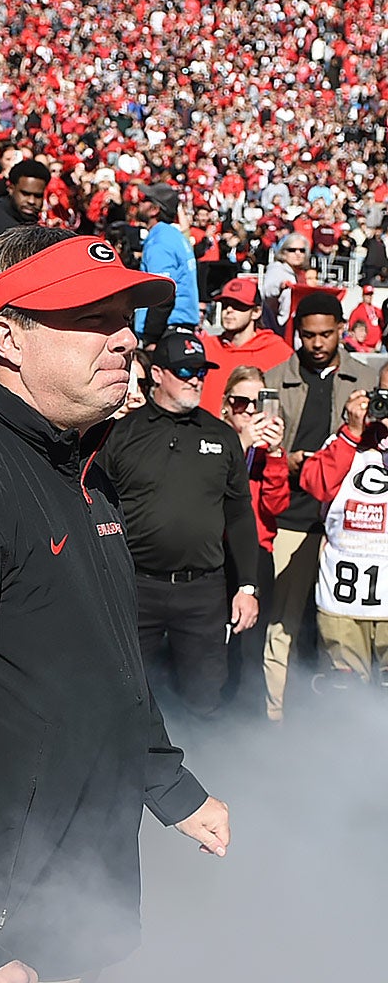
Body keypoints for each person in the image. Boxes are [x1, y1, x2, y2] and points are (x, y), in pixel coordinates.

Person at [0, 229, 231, 983]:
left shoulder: (79, 464)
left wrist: (168, 784)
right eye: (92, 318)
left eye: (126, 318)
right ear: (6, 337)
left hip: (80, 881)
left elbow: (107, 657)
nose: (126, 338)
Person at [98, 332, 262, 719]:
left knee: (204, 696)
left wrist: (247, 586)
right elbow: (96, 509)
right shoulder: (121, 434)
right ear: (157, 373)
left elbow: (239, 513)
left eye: (201, 371)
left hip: (202, 592)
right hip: (137, 587)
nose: (195, 379)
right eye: (185, 370)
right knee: (126, 693)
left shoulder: (221, 436)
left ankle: (201, 771)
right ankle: (130, 775)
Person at [263, 291, 371, 721]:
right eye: (308, 335)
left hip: (349, 524)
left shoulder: (365, 378)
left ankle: (338, 719)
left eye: (326, 334)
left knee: (339, 631)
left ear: (341, 330)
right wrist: (286, 460)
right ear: (297, 335)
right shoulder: (275, 379)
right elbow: (264, 446)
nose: (318, 343)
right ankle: (275, 719)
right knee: (283, 628)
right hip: (293, 513)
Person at [300, 363, 388, 689]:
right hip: (342, 603)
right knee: (345, 697)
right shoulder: (346, 443)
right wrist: (352, 431)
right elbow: (315, 484)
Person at [221, 364, 289, 716]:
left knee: (249, 647)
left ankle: (249, 725)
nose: (248, 411)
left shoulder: (267, 452)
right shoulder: (214, 441)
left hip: (256, 554)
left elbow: (277, 505)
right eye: (239, 402)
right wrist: (241, 444)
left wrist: (276, 454)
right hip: (214, 553)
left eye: (257, 402)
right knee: (214, 644)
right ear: (225, 405)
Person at [197, 276, 292, 414]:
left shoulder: (278, 352)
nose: (229, 310)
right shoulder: (204, 347)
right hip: (206, 431)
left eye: (238, 305)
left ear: (256, 312)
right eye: (225, 304)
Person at [135, 183, 200, 346]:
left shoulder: (160, 241)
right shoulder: (174, 235)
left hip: (166, 329)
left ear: (154, 210)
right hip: (179, 325)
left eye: (145, 199)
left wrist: (151, 337)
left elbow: (163, 292)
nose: (139, 202)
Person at [260, 233, 308, 333]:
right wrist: (279, 288)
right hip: (278, 326)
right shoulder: (276, 269)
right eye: (292, 250)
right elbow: (267, 292)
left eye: (302, 250)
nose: (297, 253)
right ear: (283, 252)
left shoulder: (301, 274)